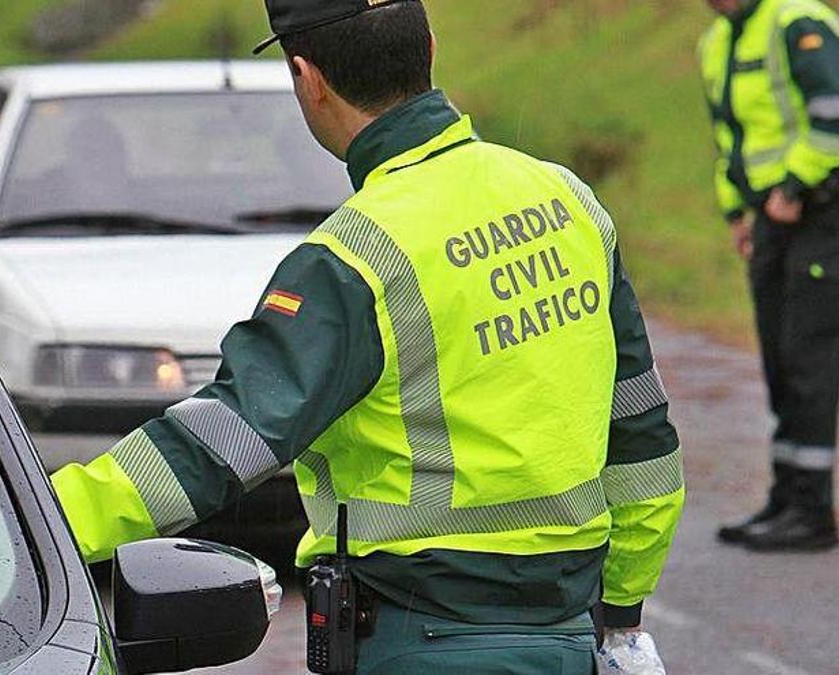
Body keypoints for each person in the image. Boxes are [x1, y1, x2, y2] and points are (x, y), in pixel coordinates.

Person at [50, 0, 684, 671]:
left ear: (307, 78)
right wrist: (621, 618)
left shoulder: (355, 258)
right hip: (570, 639)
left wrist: (36, 521)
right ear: (429, 48)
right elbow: (642, 436)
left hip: (420, 644)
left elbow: (219, 443)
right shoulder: (569, 202)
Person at [699, 0, 839, 552]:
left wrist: (794, 187)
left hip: (819, 208)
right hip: (769, 217)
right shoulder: (717, 44)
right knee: (779, 354)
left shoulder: (798, 21)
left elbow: (837, 115)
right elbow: (730, 141)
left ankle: (813, 511)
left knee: (809, 354)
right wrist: (736, 211)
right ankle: (787, 498)